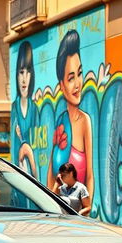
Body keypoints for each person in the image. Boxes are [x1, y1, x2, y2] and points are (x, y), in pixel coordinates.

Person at [48, 30, 94, 200]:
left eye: (80, 74)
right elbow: (51, 173)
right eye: (71, 78)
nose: (77, 84)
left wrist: (88, 209)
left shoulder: (85, 121)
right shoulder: (60, 121)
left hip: (78, 213)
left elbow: (90, 175)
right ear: (61, 85)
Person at [11, 40, 39, 177]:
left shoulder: (34, 109)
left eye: (28, 73)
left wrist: (28, 151)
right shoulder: (14, 108)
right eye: (21, 72)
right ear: (16, 75)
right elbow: (15, 154)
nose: (24, 79)